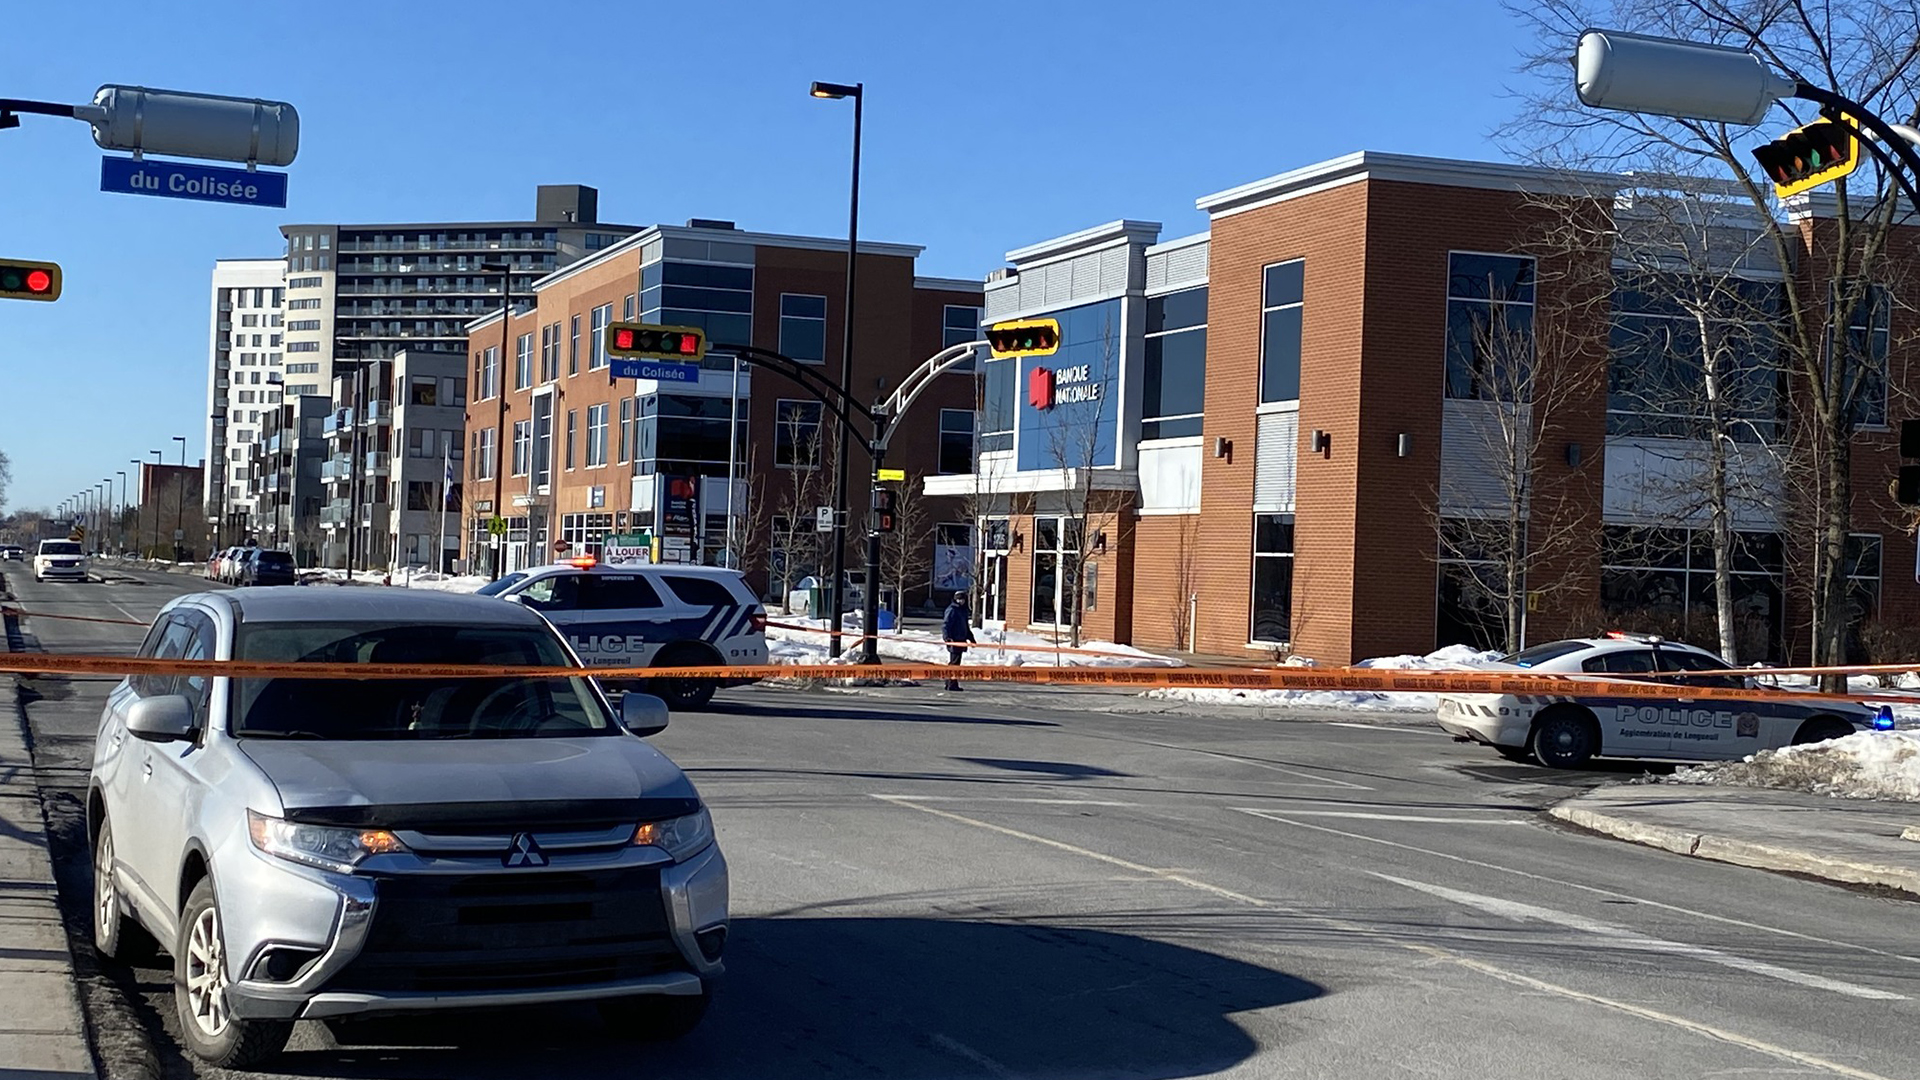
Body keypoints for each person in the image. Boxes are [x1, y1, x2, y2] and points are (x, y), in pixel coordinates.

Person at [941, 594, 975, 691]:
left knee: (955, 663)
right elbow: (945, 625)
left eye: (963, 599)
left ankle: (950, 682)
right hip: (954, 640)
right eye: (959, 599)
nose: (961, 601)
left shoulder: (962, 610)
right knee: (954, 663)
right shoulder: (952, 610)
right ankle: (951, 684)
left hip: (961, 640)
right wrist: (947, 637)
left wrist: (971, 638)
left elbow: (965, 627)